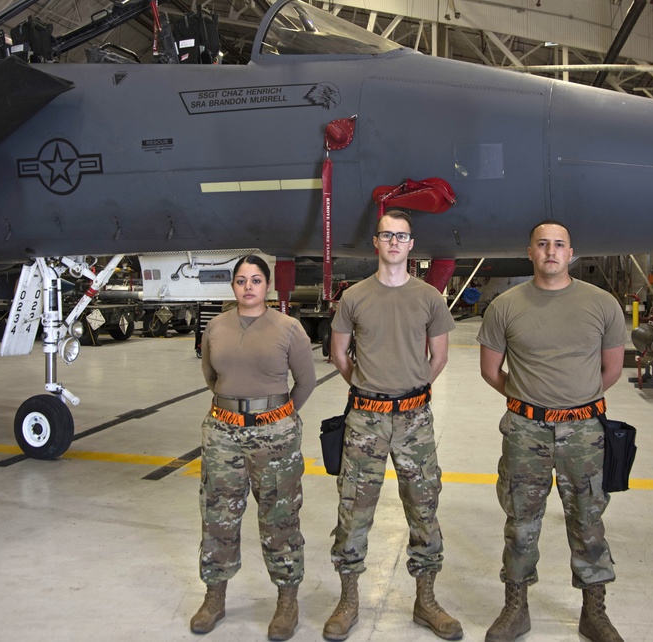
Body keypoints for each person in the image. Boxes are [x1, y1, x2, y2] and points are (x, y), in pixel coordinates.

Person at [476, 220, 627, 642]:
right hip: (526, 431)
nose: (551, 251)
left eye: (559, 244)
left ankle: (594, 612)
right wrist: (531, 402)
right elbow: (491, 370)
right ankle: (515, 608)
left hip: (584, 430)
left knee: (588, 517)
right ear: (530, 252)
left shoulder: (602, 304)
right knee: (521, 518)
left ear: (571, 252)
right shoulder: (505, 305)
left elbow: (611, 369)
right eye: (542, 244)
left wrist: (572, 402)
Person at [324, 209, 462, 642]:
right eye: (387, 235)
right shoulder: (354, 297)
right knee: (354, 509)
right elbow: (339, 355)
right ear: (376, 242)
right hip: (365, 418)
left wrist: (411, 389)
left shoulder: (429, 297)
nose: (395, 242)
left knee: (424, 509)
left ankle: (426, 600)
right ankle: (348, 601)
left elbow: (438, 358)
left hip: (415, 420)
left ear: (411, 244)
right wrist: (369, 388)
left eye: (402, 236)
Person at [190, 255, 316, 640]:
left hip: (274, 434)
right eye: (241, 280)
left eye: (256, 280)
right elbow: (212, 376)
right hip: (222, 431)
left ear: (268, 286)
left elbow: (306, 382)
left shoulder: (289, 328)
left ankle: (287, 600)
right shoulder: (215, 326)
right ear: (233, 286)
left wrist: (275, 416)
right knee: (218, 516)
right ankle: (215, 596)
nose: (248, 286)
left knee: (280, 518)